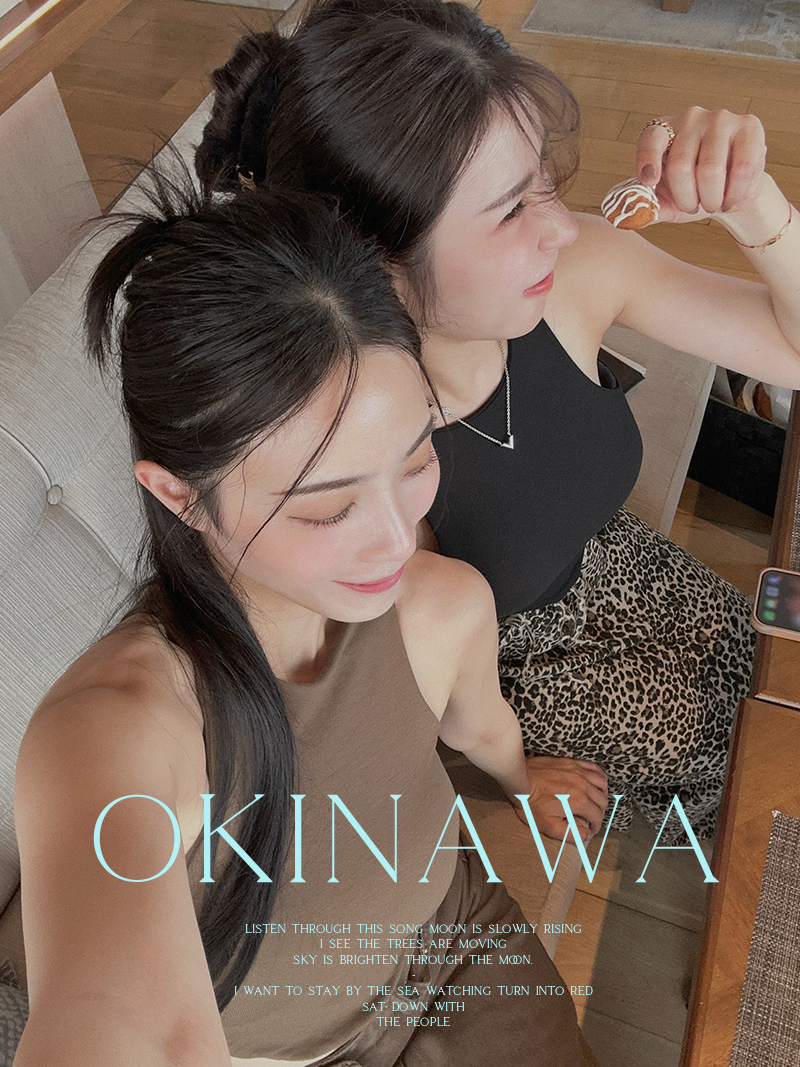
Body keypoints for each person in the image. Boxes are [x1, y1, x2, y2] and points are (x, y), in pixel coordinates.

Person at [11, 177, 602, 1067]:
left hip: (454, 944)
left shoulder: (441, 605)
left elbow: (481, 725)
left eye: (415, 459)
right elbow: (118, 1020)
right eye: (328, 508)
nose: (398, 539)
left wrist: (523, 778)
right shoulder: (118, 724)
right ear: (180, 495)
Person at [195, 0, 800, 843]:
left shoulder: (578, 272)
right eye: (512, 209)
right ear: (377, 259)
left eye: (543, 178)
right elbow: (403, 660)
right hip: (526, 667)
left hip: (618, 559)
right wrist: (515, 774)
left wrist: (753, 206)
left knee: (776, 670)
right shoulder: (354, 441)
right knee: (759, 777)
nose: (560, 227)